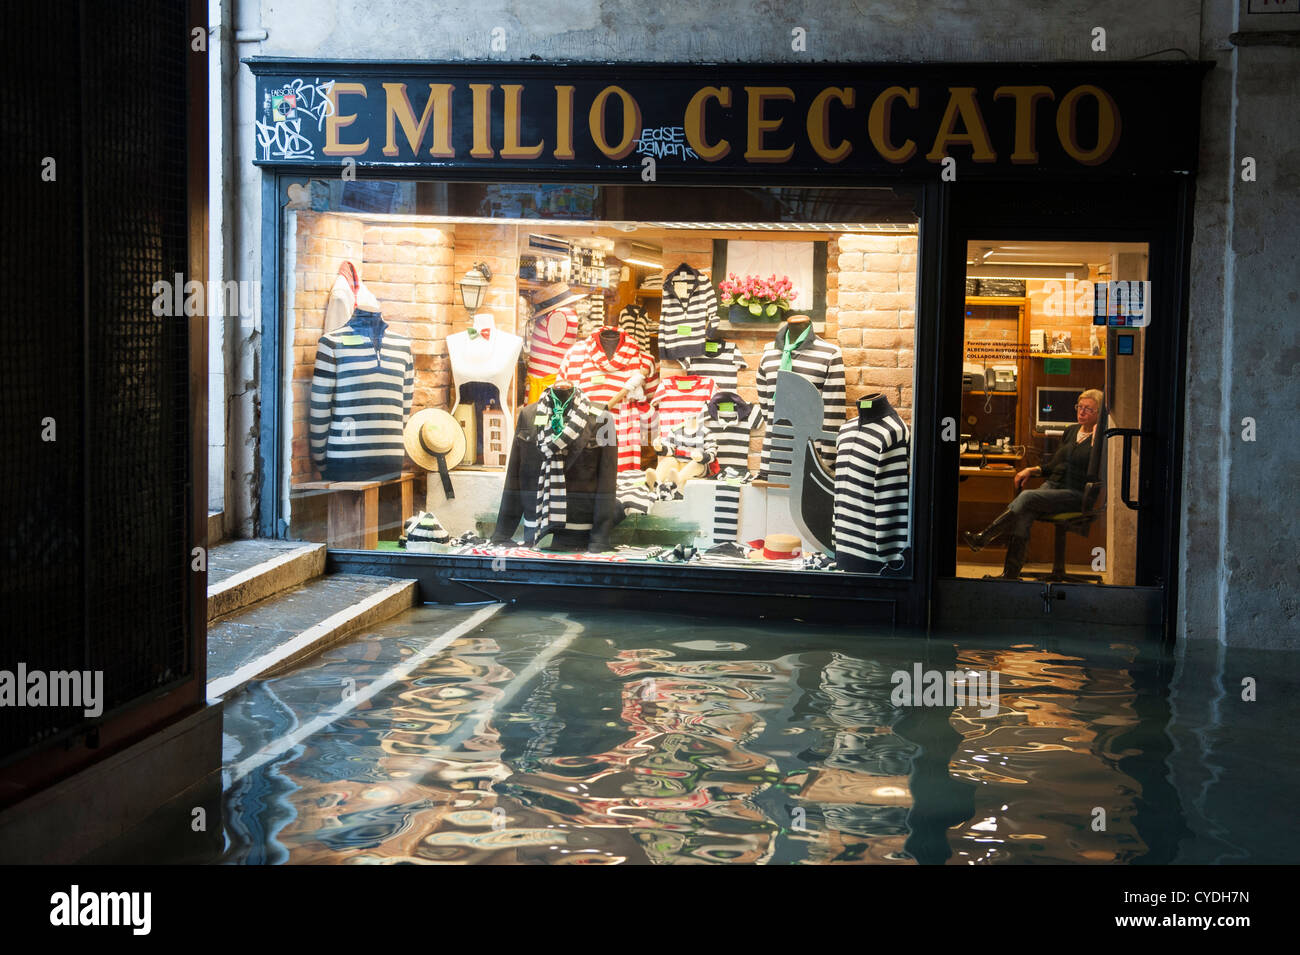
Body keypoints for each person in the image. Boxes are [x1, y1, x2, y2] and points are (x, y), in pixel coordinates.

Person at [964, 389, 1103, 579]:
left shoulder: (1101, 439)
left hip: (1075, 494)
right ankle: (1010, 575)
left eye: (1089, 409)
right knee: (1024, 512)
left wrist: (1097, 437)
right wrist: (1031, 469)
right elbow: (1054, 465)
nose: (1082, 412)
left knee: (1027, 497)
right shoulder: (1071, 431)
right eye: (1080, 407)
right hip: (1052, 488)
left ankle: (985, 537)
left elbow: (1096, 470)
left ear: (1100, 414)